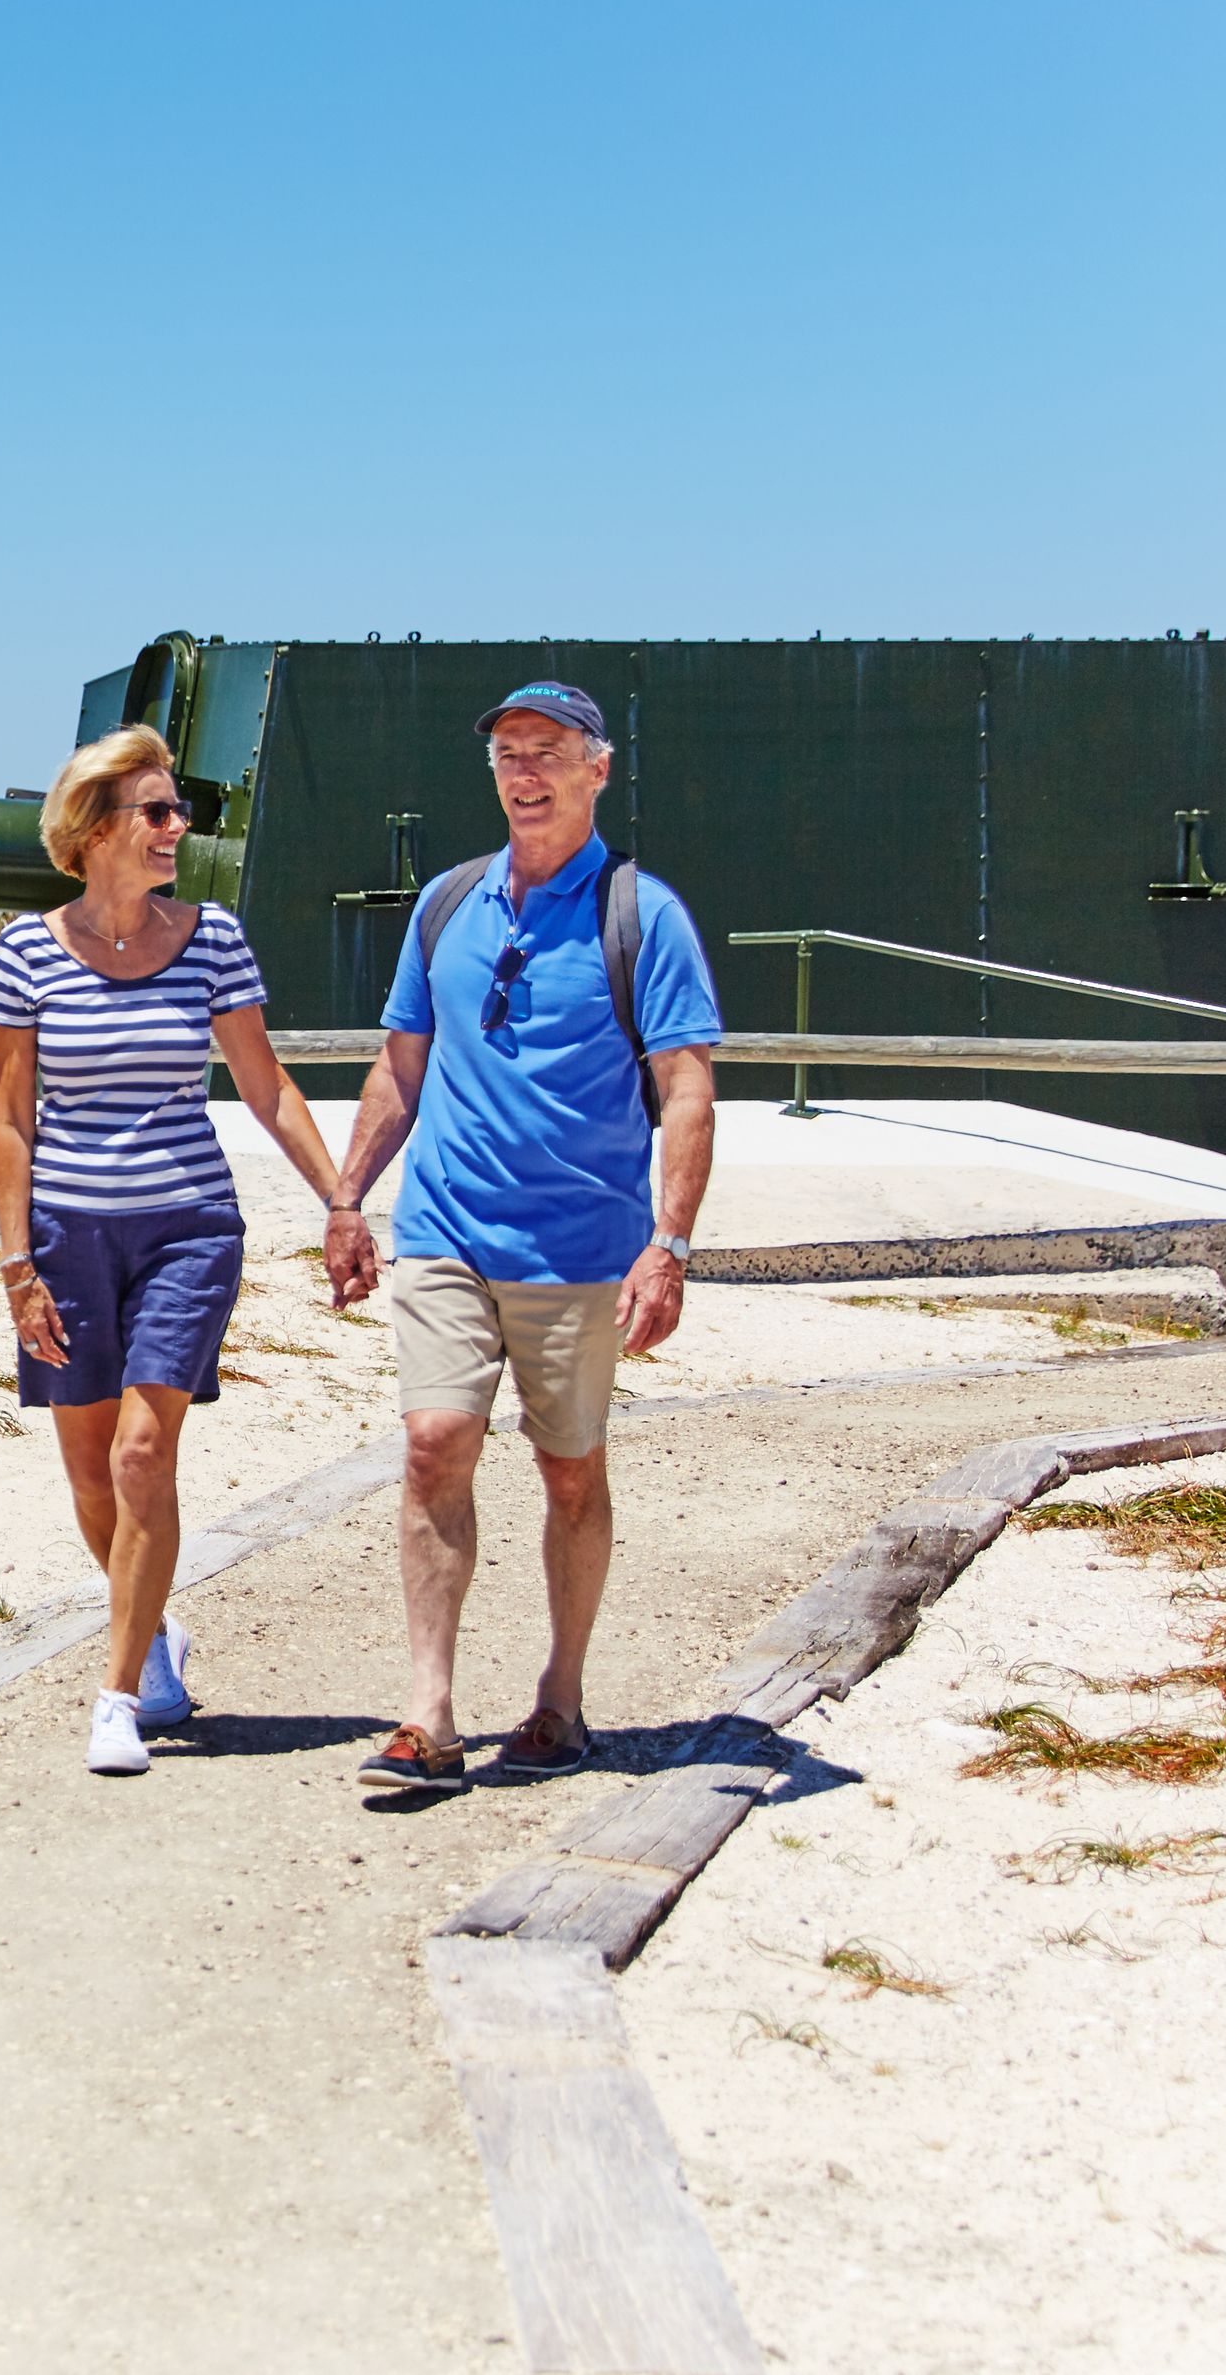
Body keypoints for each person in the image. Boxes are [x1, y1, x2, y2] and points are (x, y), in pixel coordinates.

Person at [319, 681, 723, 1793]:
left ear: (598, 770)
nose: (522, 770)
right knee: (433, 1444)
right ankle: (429, 1715)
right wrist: (350, 1197)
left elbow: (686, 1091)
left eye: (546, 750)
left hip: (583, 1251)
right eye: (506, 751)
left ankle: (561, 1697)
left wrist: (670, 1245)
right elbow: (402, 1063)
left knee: (569, 1474)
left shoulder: (644, 918)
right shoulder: (449, 904)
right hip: (445, 1230)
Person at [0, 723, 362, 1776]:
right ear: (96, 827)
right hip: (63, 1238)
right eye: (156, 812)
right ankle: (151, 1638)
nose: (176, 829)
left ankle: (115, 1696)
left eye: (177, 811)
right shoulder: (25, 953)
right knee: (93, 1477)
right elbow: (12, 1120)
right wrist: (16, 1265)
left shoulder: (213, 939)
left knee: (145, 1454)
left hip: (188, 1229)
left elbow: (265, 1084)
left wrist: (341, 1198)